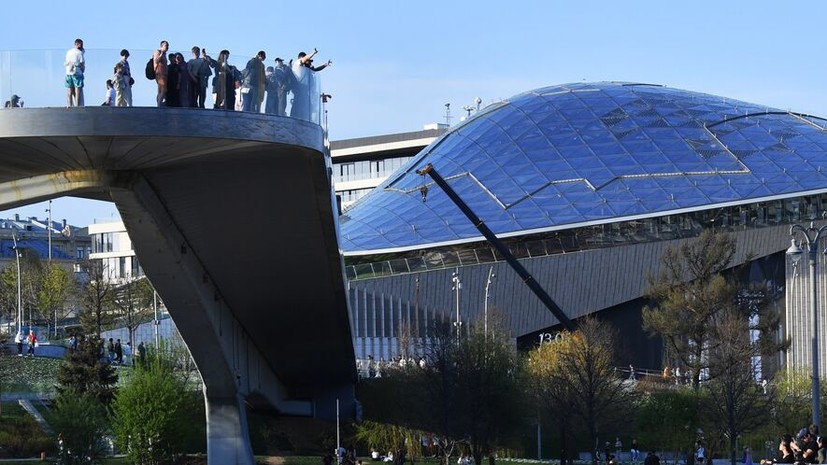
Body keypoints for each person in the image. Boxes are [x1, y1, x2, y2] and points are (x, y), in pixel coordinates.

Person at [65, 38, 85, 107]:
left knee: (69, 89)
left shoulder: (69, 52)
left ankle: (69, 104)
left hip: (68, 73)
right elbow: (82, 63)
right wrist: (82, 70)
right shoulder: (79, 52)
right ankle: (77, 105)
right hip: (77, 73)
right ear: (78, 44)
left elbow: (66, 62)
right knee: (77, 89)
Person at [153, 40, 170, 107]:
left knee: (160, 90)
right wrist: (161, 54)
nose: (167, 47)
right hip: (160, 73)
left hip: (164, 73)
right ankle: (159, 104)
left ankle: (159, 103)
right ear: (162, 46)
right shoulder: (158, 52)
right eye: (166, 46)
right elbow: (156, 60)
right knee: (163, 90)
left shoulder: (165, 54)